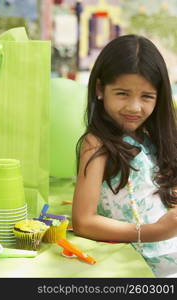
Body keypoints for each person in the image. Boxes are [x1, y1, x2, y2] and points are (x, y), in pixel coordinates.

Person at [72, 34, 177, 278]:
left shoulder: (153, 139)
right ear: (100, 89)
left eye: (146, 96)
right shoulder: (96, 144)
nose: (134, 107)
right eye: (122, 93)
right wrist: (153, 232)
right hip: (144, 268)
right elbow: (83, 221)